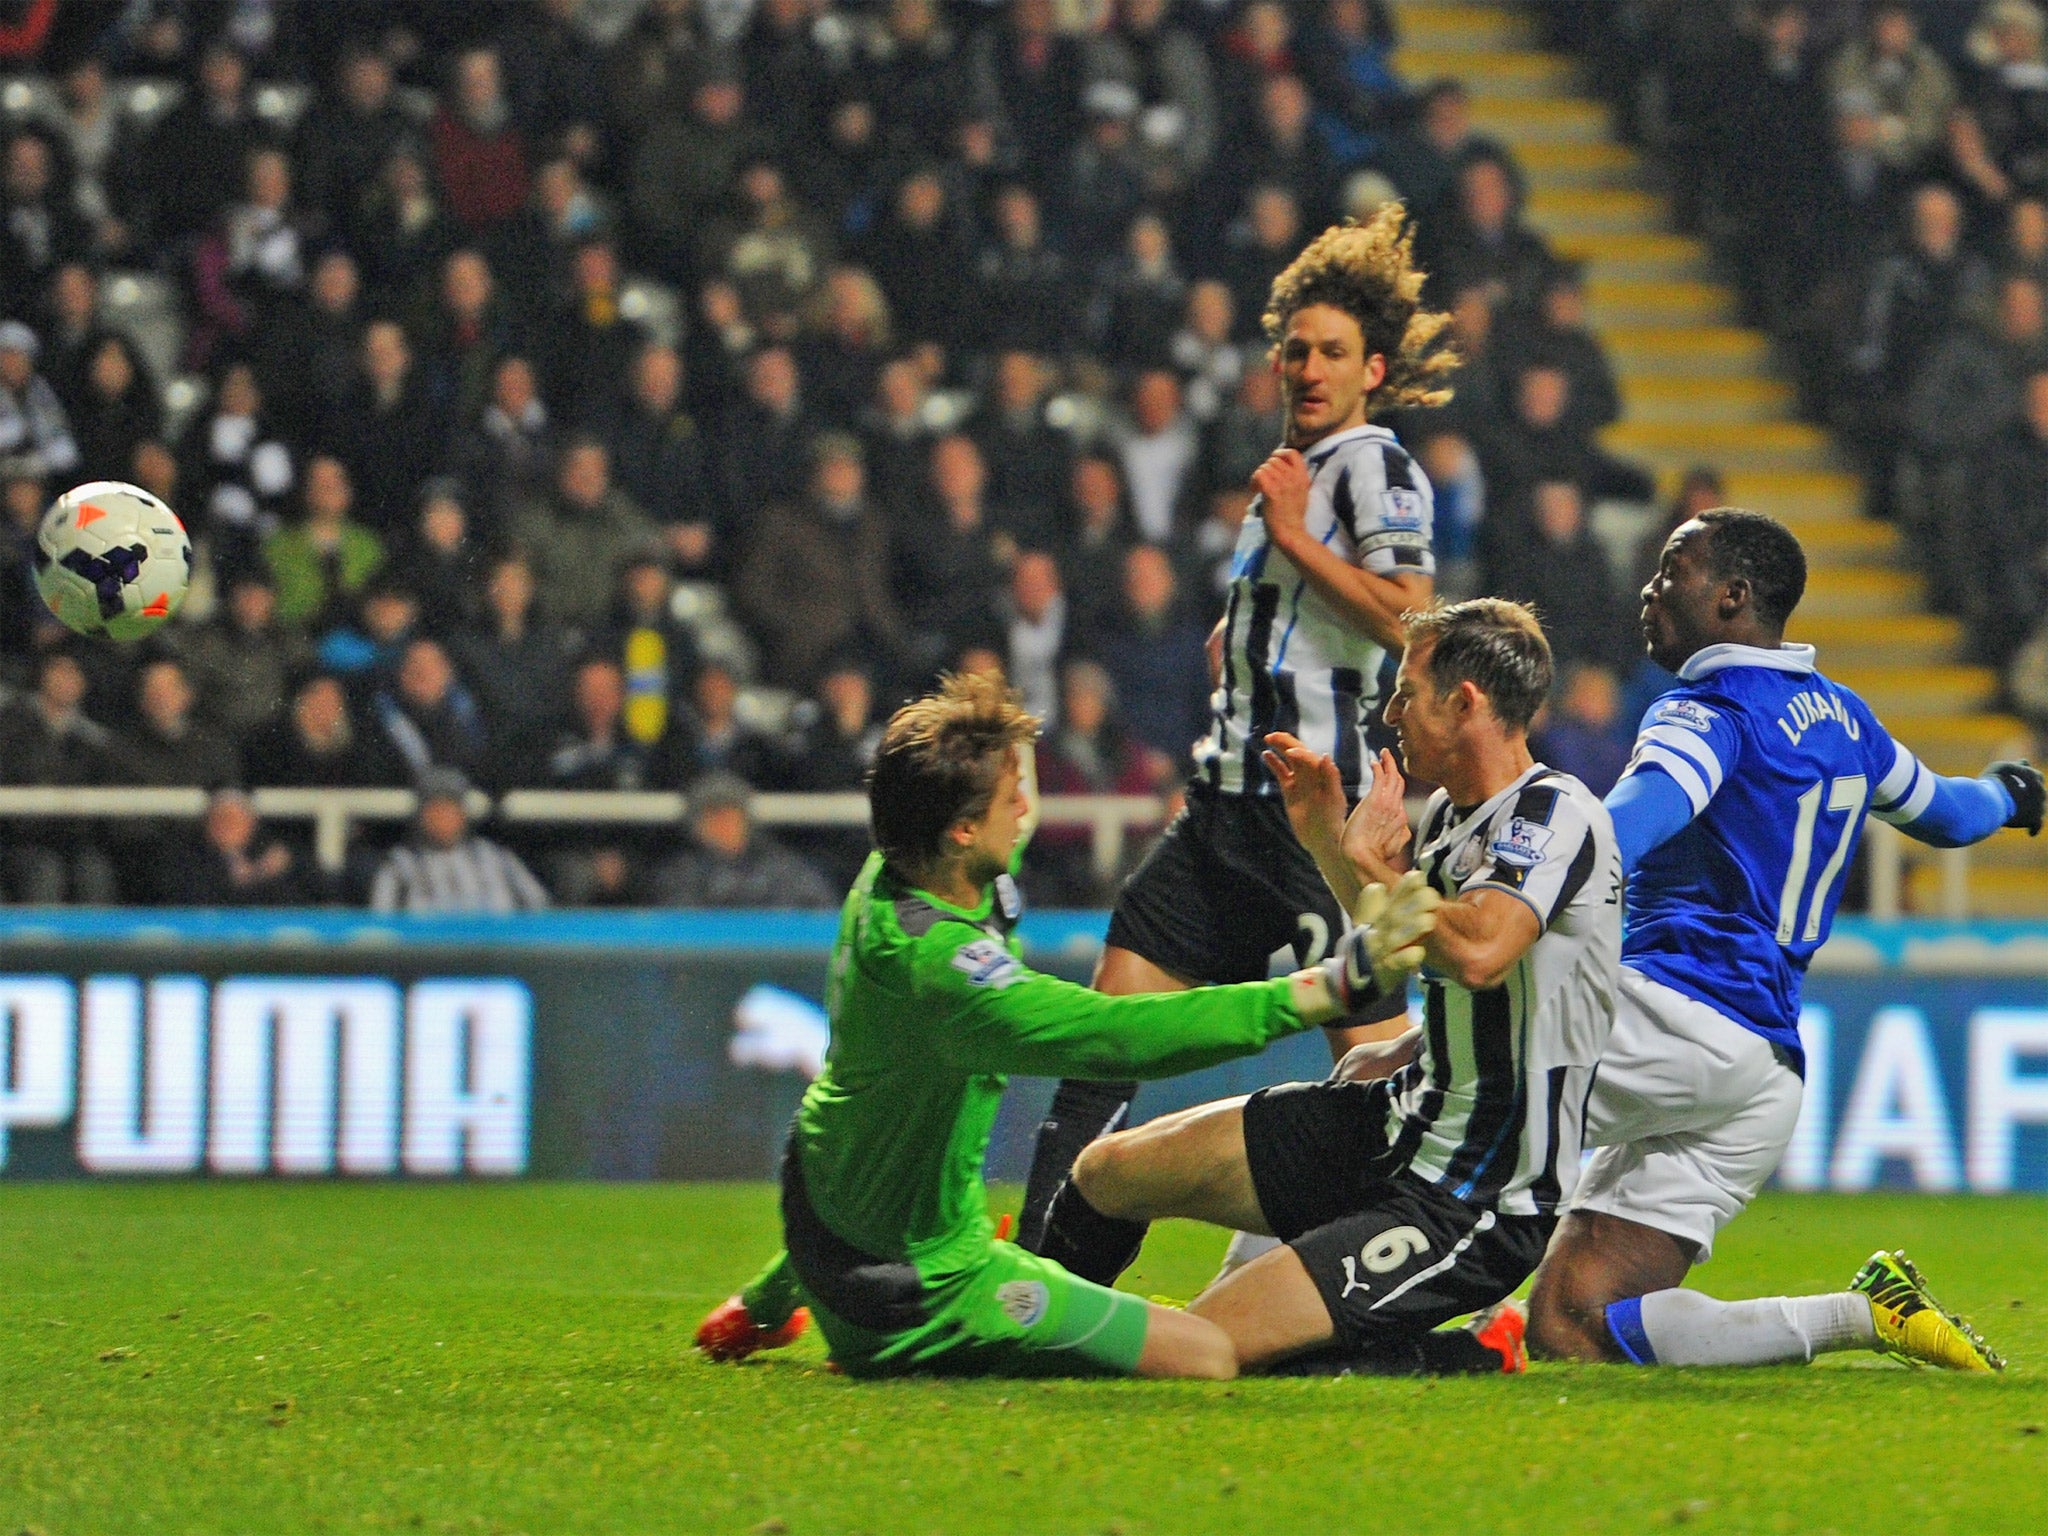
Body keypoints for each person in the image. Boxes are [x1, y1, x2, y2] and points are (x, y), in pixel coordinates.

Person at [693, 671, 1430, 1378]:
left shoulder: (899, 874)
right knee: (1207, 1352)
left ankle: (769, 1302)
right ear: (961, 830)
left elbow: (875, 1122)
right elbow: (1116, 1036)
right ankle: (1457, 1352)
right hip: (916, 1286)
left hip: (818, 1214)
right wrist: (1331, 987)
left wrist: (766, 1302)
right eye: (1012, 795)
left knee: (885, 1116)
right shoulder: (942, 969)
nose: (1027, 808)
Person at [1018, 204, 1452, 1254]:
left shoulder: (1373, 467)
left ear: (1373, 370)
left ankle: (1424, 1276)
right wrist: (1246, 640)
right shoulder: (1288, 475)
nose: (1308, 368)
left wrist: (1296, 542)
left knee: (1378, 1073)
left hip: (1314, 821)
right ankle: (1038, 1287)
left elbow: (1413, 619)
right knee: (1105, 1043)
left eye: (1331, 352)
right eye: (1295, 350)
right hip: (1222, 813)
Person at [1035, 598, 1619, 1376]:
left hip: (1475, 1199)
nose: (1390, 713)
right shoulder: (1453, 816)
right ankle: (1030, 1343)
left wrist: (1375, 866)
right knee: (1108, 1171)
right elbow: (1405, 946)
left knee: (1199, 1348)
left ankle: (1451, 1355)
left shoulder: (1555, 813)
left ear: (1465, 702)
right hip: (1391, 1125)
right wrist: (1325, 841)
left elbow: (1480, 951)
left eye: (1407, 693)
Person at [1522, 509, 2039, 1373]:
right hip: (1761, 1073)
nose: (1649, 590)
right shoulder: (1846, 720)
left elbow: (1618, 834)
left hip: (1666, 1019)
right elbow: (1949, 815)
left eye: (1672, 571)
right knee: (1573, 1323)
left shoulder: (1708, 710)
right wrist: (2009, 793)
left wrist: (1514, 882)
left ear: (1732, 597)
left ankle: (1312, 1313)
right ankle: (1862, 1313)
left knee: (1424, 1094)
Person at [369, 768, 548, 914]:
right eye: (435, 810)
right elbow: (382, 922)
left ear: (463, 815)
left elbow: (539, 906)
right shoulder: (400, 866)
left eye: (450, 810)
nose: (443, 818)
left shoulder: (496, 857)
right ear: (421, 817)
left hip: (496, 945)